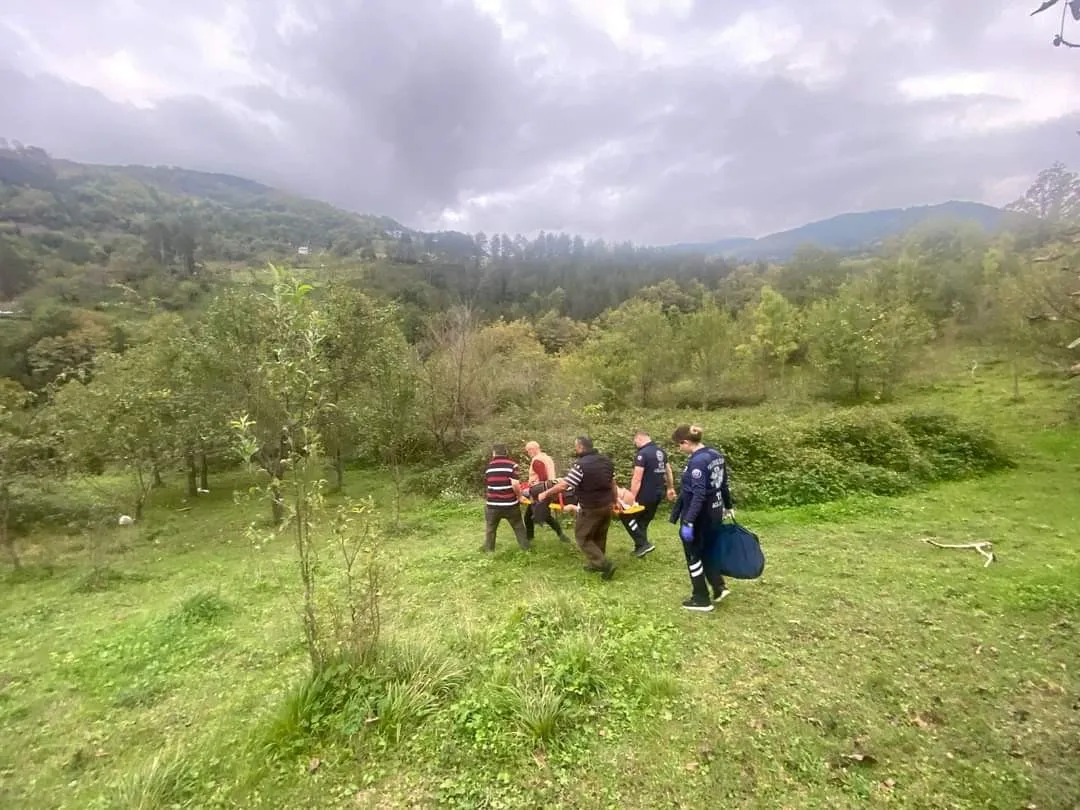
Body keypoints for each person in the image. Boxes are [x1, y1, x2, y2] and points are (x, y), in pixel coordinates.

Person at [669, 424, 734, 612]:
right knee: (707, 550)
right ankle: (719, 586)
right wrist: (728, 505)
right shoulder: (716, 455)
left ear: (686, 442)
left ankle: (700, 598)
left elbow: (698, 495)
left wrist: (688, 521)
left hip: (699, 516)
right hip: (715, 512)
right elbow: (723, 483)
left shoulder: (698, 462)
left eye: (678, 445)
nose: (678, 449)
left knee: (693, 554)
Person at [538, 436, 617, 580]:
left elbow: (565, 485)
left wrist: (545, 493)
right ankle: (595, 564)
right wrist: (615, 500)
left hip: (591, 506)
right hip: (606, 505)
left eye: (576, 447)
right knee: (599, 534)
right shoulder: (606, 461)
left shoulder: (581, 465)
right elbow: (613, 483)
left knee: (582, 536)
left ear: (580, 447)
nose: (575, 449)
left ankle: (605, 564)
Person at [618, 429, 676, 558]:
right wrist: (670, 488)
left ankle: (644, 544)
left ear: (639, 438)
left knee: (626, 516)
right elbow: (668, 471)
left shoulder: (642, 454)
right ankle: (640, 548)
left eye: (635, 441)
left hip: (645, 494)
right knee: (643, 521)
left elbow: (637, 478)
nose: (635, 444)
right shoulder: (660, 452)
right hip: (658, 493)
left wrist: (631, 498)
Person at [482, 443, 529, 553]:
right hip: (510, 505)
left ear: (494, 453)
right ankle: (526, 550)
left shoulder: (488, 467)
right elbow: (515, 484)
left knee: (490, 529)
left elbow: (489, 484)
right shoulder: (512, 465)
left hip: (492, 505)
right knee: (518, 527)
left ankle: (489, 552)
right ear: (506, 452)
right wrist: (520, 496)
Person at [523, 440, 571, 543]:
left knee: (532, 516)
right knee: (543, 514)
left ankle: (529, 539)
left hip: (540, 491)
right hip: (550, 489)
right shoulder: (547, 458)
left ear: (533, 449)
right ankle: (561, 535)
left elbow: (543, 477)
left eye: (528, 451)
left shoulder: (537, 460)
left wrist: (536, 488)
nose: (528, 453)